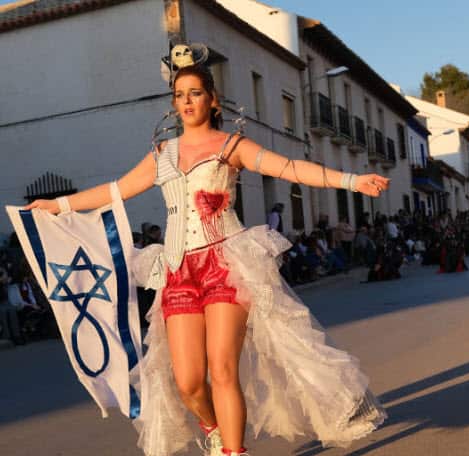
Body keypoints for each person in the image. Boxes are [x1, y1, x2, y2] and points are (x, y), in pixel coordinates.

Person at [24, 44, 388, 456]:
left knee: (222, 368)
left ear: (212, 99)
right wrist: (60, 204)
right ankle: (214, 427)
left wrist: (352, 181)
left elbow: (289, 168)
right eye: (179, 95)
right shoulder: (163, 155)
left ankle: (235, 452)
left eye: (195, 93)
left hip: (227, 264)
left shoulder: (231, 146)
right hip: (178, 269)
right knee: (189, 382)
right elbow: (115, 191)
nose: (186, 102)